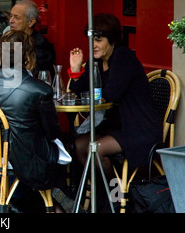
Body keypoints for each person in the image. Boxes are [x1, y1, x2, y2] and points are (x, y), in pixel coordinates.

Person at [68, 13, 162, 207]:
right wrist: (76, 69)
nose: (93, 44)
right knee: (78, 145)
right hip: (113, 125)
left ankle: (115, 199)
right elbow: (77, 89)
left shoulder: (123, 56)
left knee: (96, 150)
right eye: (90, 39)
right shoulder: (97, 62)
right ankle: (100, 196)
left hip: (137, 127)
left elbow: (111, 93)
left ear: (112, 40)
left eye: (99, 39)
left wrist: (92, 83)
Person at [0, 30, 67, 212]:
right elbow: (52, 133)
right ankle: (59, 204)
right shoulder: (41, 89)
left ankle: (23, 201)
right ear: (28, 56)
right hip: (27, 158)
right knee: (62, 146)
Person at [8, 0, 56, 77]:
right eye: (11, 16)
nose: (11, 20)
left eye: (16, 17)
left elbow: (33, 76)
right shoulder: (11, 39)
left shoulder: (42, 47)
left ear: (31, 22)